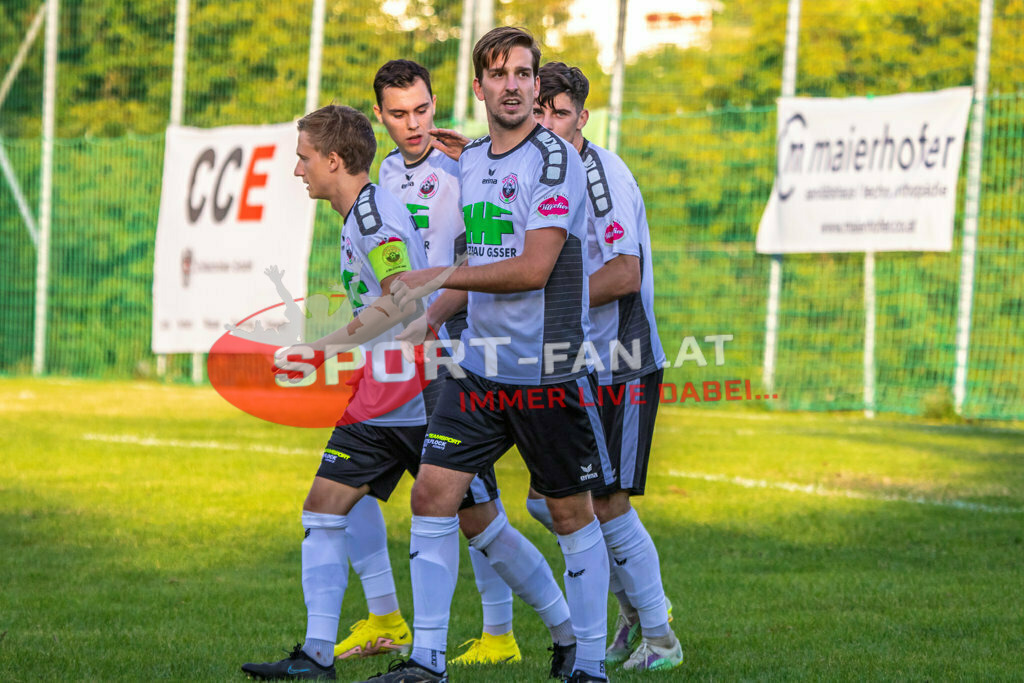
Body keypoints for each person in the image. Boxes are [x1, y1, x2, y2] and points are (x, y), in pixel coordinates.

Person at [363, 27, 613, 683]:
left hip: (548, 367)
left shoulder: (556, 162)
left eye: (523, 74)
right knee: (434, 494)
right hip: (480, 368)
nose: (511, 85)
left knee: (568, 513)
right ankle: (427, 660)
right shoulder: (470, 160)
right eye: (498, 74)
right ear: (479, 88)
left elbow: (531, 267)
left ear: (536, 84)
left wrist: (438, 278)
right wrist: (429, 320)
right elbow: (480, 257)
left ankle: (588, 664)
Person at [329, 58, 524, 667]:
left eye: (422, 109)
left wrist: (435, 318)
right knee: (352, 484)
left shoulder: (465, 166)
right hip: (399, 350)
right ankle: (386, 618)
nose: (413, 124)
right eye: (398, 113)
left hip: (455, 346)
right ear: (379, 115)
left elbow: (482, 256)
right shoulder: (382, 173)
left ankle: (500, 634)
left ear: (436, 103)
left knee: (470, 501)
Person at [530, 62, 683, 672]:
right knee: (550, 501)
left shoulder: (599, 174)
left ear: (582, 119)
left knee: (607, 500)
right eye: (538, 110)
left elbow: (625, 273)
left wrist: (542, 295)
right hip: (571, 363)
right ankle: (636, 616)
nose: (545, 123)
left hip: (621, 359)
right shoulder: (538, 174)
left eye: (558, 112)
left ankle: (662, 638)